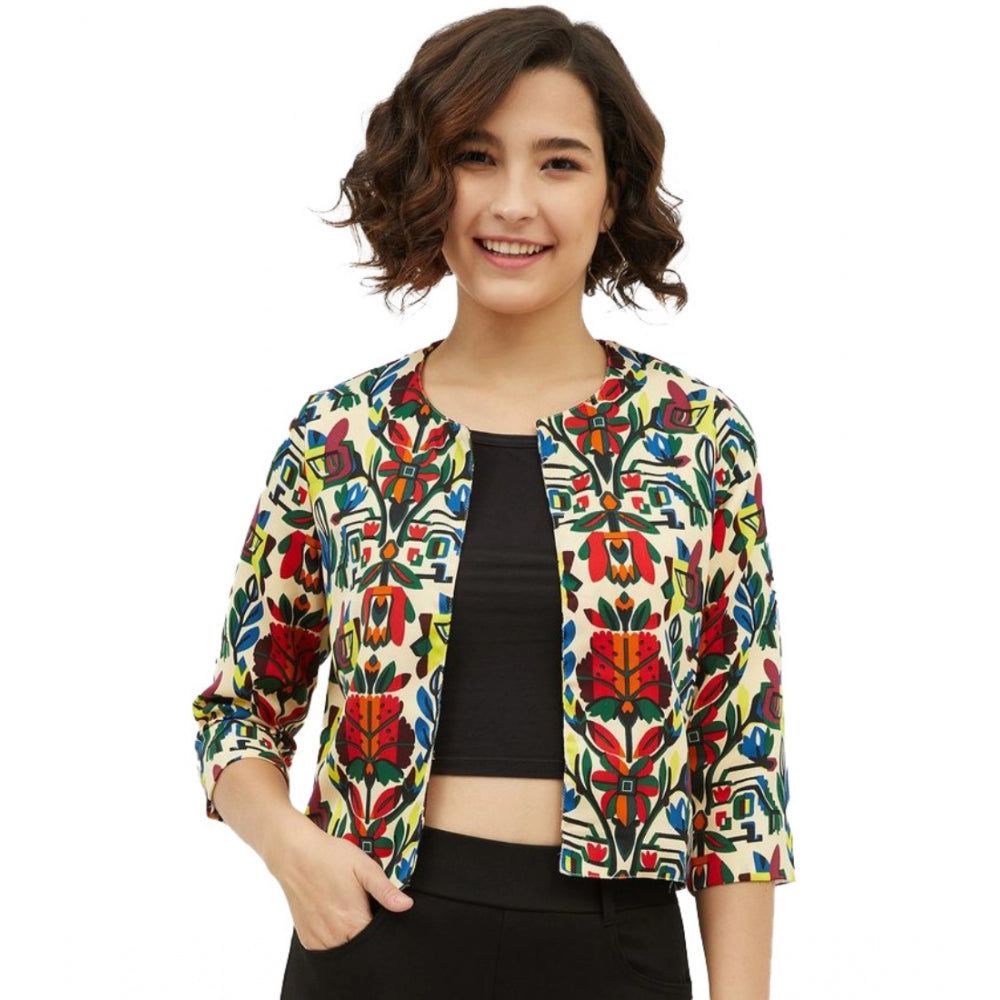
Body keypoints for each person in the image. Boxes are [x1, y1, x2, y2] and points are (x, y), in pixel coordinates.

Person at [191, 6, 795, 999]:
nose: (514, 202)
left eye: (558, 163)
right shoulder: (340, 434)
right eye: (476, 157)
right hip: (375, 936)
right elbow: (238, 712)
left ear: (611, 194)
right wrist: (293, 852)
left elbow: (740, 767)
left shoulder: (696, 435)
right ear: (430, 181)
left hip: (616, 952)